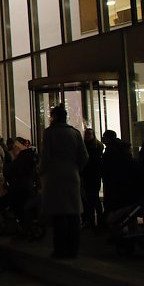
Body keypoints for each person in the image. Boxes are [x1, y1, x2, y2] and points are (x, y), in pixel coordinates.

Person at [40, 105, 88, 259]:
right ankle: (73, 249)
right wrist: (77, 168)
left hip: (55, 176)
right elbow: (84, 156)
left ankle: (60, 249)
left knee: (59, 214)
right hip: (72, 175)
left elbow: (46, 157)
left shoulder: (50, 133)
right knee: (73, 214)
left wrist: (41, 172)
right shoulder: (75, 133)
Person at [80, 128, 104, 229]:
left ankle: (90, 220)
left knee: (90, 198)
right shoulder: (97, 146)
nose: (87, 136)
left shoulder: (84, 146)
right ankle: (96, 220)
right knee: (92, 198)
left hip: (89, 175)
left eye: (88, 134)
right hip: (92, 175)